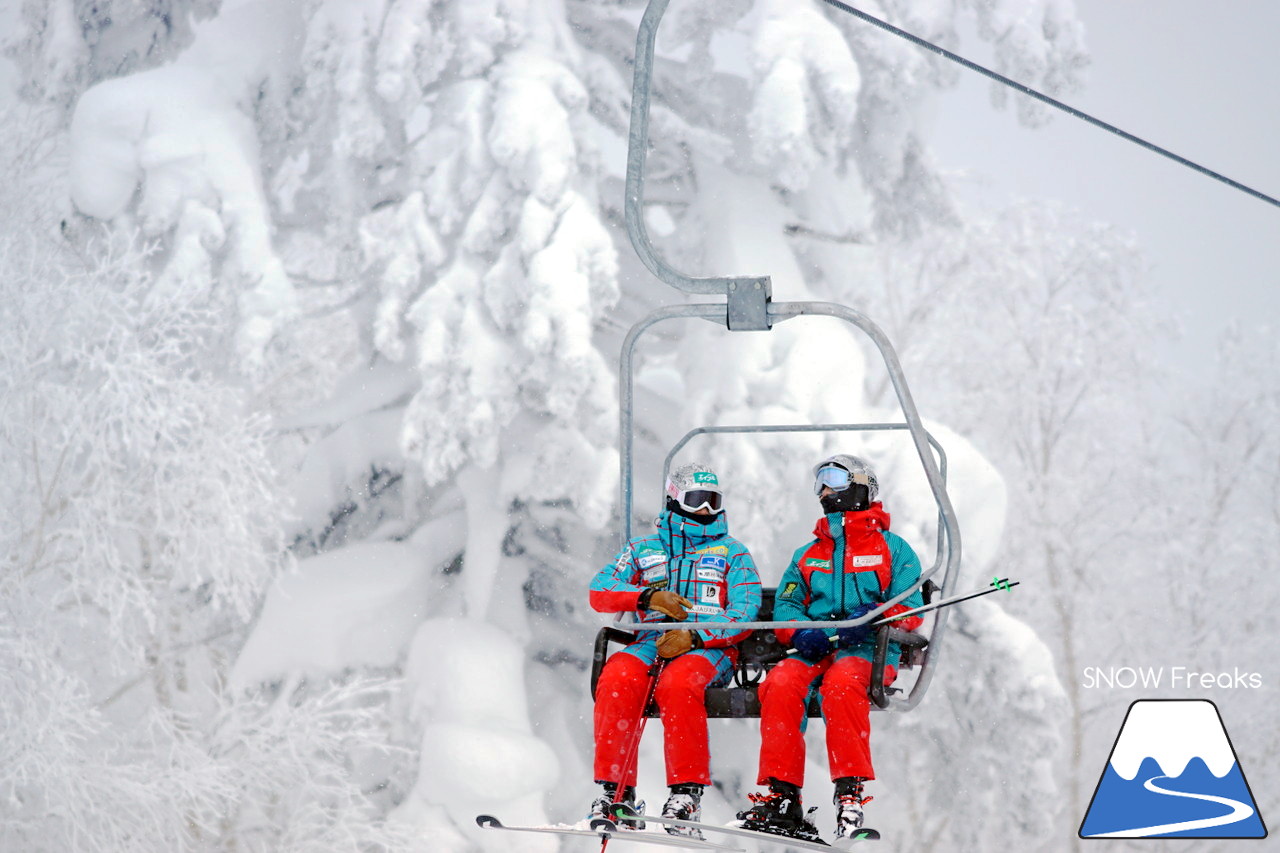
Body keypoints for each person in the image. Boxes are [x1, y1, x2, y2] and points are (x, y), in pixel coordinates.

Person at [734, 454, 924, 843]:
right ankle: (782, 797)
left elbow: (911, 606)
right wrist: (801, 633)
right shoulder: (809, 553)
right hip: (815, 649)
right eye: (819, 481)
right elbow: (787, 605)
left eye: (834, 479)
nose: (824, 490)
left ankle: (849, 795)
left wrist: (878, 615)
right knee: (782, 682)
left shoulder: (893, 548)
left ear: (860, 486)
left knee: (842, 684)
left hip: (868, 650)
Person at [589, 462, 762, 838]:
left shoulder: (732, 552)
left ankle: (686, 794)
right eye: (698, 500)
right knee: (617, 677)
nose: (706, 510)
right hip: (653, 641)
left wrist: (697, 636)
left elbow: (745, 612)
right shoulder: (644, 549)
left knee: (679, 685)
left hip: (708, 646)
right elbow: (600, 590)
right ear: (674, 498)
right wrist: (647, 595)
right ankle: (615, 792)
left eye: (714, 502)